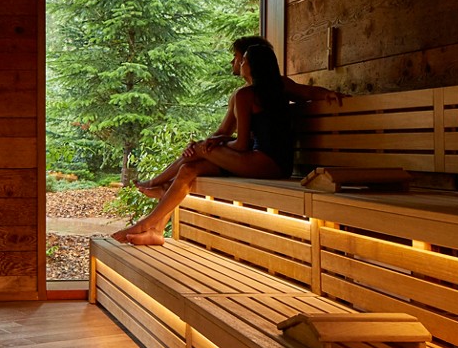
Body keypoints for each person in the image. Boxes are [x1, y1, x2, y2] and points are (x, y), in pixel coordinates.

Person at [111, 40, 337, 247]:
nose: (237, 63)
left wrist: (210, 148)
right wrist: (328, 94)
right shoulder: (278, 86)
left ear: (251, 65)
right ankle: (156, 229)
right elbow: (307, 92)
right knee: (190, 168)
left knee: (198, 150)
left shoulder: (245, 95)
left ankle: (154, 191)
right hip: (277, 164)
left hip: (260, 162)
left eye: (243, 59)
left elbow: (241, 146)